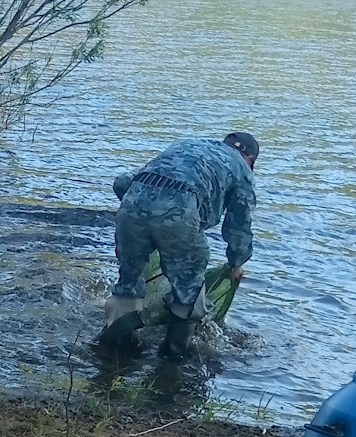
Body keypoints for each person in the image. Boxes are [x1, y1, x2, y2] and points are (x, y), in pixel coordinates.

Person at [98, 130, 260, 359]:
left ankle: (110, 352)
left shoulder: (187, 145)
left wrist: (143, 216)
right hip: (180, 212)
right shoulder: (242, 170)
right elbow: (238, 225)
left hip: (132, 206)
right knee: (188, 292)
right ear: (250, 159)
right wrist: (236, 263)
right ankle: (172, 363)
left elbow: (122, 183)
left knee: (128, 285)